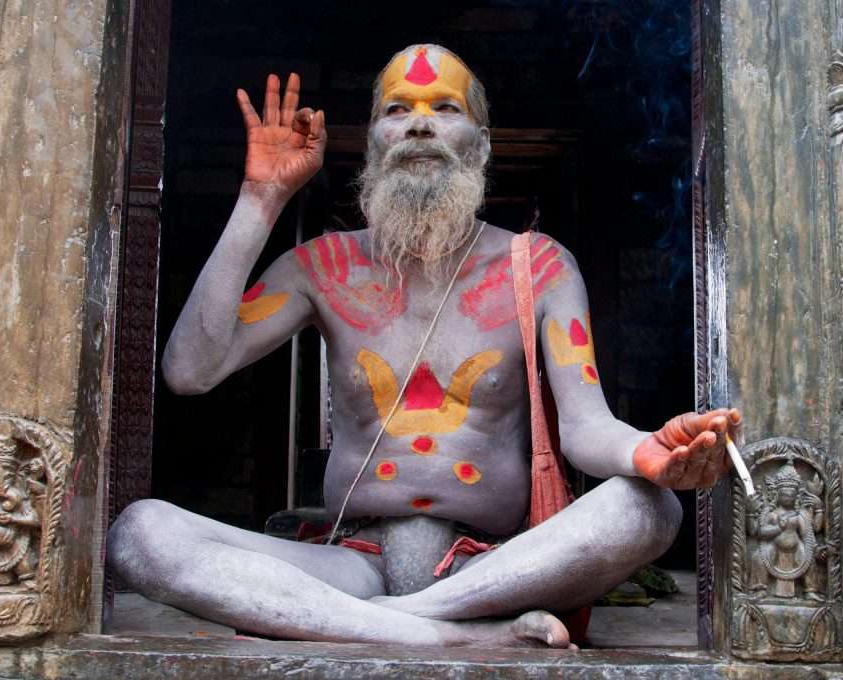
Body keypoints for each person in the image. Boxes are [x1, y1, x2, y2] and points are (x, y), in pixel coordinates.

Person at [108, 44, 741, 648]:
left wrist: (647, 450)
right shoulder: (322, 267)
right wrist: (262, 197)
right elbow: (190, 370)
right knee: (141, 534)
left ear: (482, 144)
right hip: (348, 565)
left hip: (491, 568)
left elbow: (584, 427)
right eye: (396, 109)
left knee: (650, 511)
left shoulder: (540, 265)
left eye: (445, 108)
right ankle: (445, 633)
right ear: (372, 141)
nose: (419, 124)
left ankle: (384, 622)